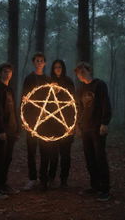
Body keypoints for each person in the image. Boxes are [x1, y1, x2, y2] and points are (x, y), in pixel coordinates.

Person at [74, 62, 112, 201]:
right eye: (78, 72)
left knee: (100, 157)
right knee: (89, 158)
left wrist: (104, 123)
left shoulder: (99, 85)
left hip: (97, 127)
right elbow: (79, 109)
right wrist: (78, 126)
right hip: (85, 128)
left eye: (83, 71)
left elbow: (105, 104)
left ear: (89, 70)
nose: (81, 74)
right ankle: (95, 186)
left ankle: (105, 189)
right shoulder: (80, 89)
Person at [0, 63, 20, 198]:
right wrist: (0, 130)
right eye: (5, 71)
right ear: (0, 73)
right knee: (0, 158)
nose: (7, 74)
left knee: (8, 158)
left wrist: (17, 128)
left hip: (11, 130)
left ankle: (3, 184)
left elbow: (13, 110)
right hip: (3, 131)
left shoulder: (9, 90)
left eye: (9, 72)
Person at [21, 52, 50, 191]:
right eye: (37, 60)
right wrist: (25, 120)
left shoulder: (48, 79)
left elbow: (52, 100)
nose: (39, 62)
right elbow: (24, 99)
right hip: (31, 120)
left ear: (44, 63)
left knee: (45, 150)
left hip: (45, 120)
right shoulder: (29, 78)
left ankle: (43, 179)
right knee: (31, 151)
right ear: (34, 62)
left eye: (41, 60)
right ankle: (32, 178)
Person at [50, 59, 75, 188]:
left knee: (65, 155)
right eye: (55, 67)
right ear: (53, 69)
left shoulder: (69, 82)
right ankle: (51, 178)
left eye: (60, 67)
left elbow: (72, 101)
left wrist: (72, 126)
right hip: (53, 124)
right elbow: (45, 102)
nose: (58, 69)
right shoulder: (49, 83)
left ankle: (64, 180)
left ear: (63, 68)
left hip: (67, 124)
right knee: (53, 154)